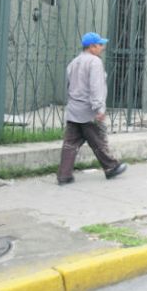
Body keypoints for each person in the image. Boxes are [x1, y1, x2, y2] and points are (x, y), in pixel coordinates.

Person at [57, 32, 127, 185]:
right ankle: (111, 167)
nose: (102, 47)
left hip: (74, 109)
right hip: (88, 110)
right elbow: (96, 87)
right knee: (98, 140)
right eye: (100, 45)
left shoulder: (74, 62)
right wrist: (99, 109)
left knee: (70, 143)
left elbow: (68, 85)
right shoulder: (94, 62)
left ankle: (64, 175)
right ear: (92, 46)